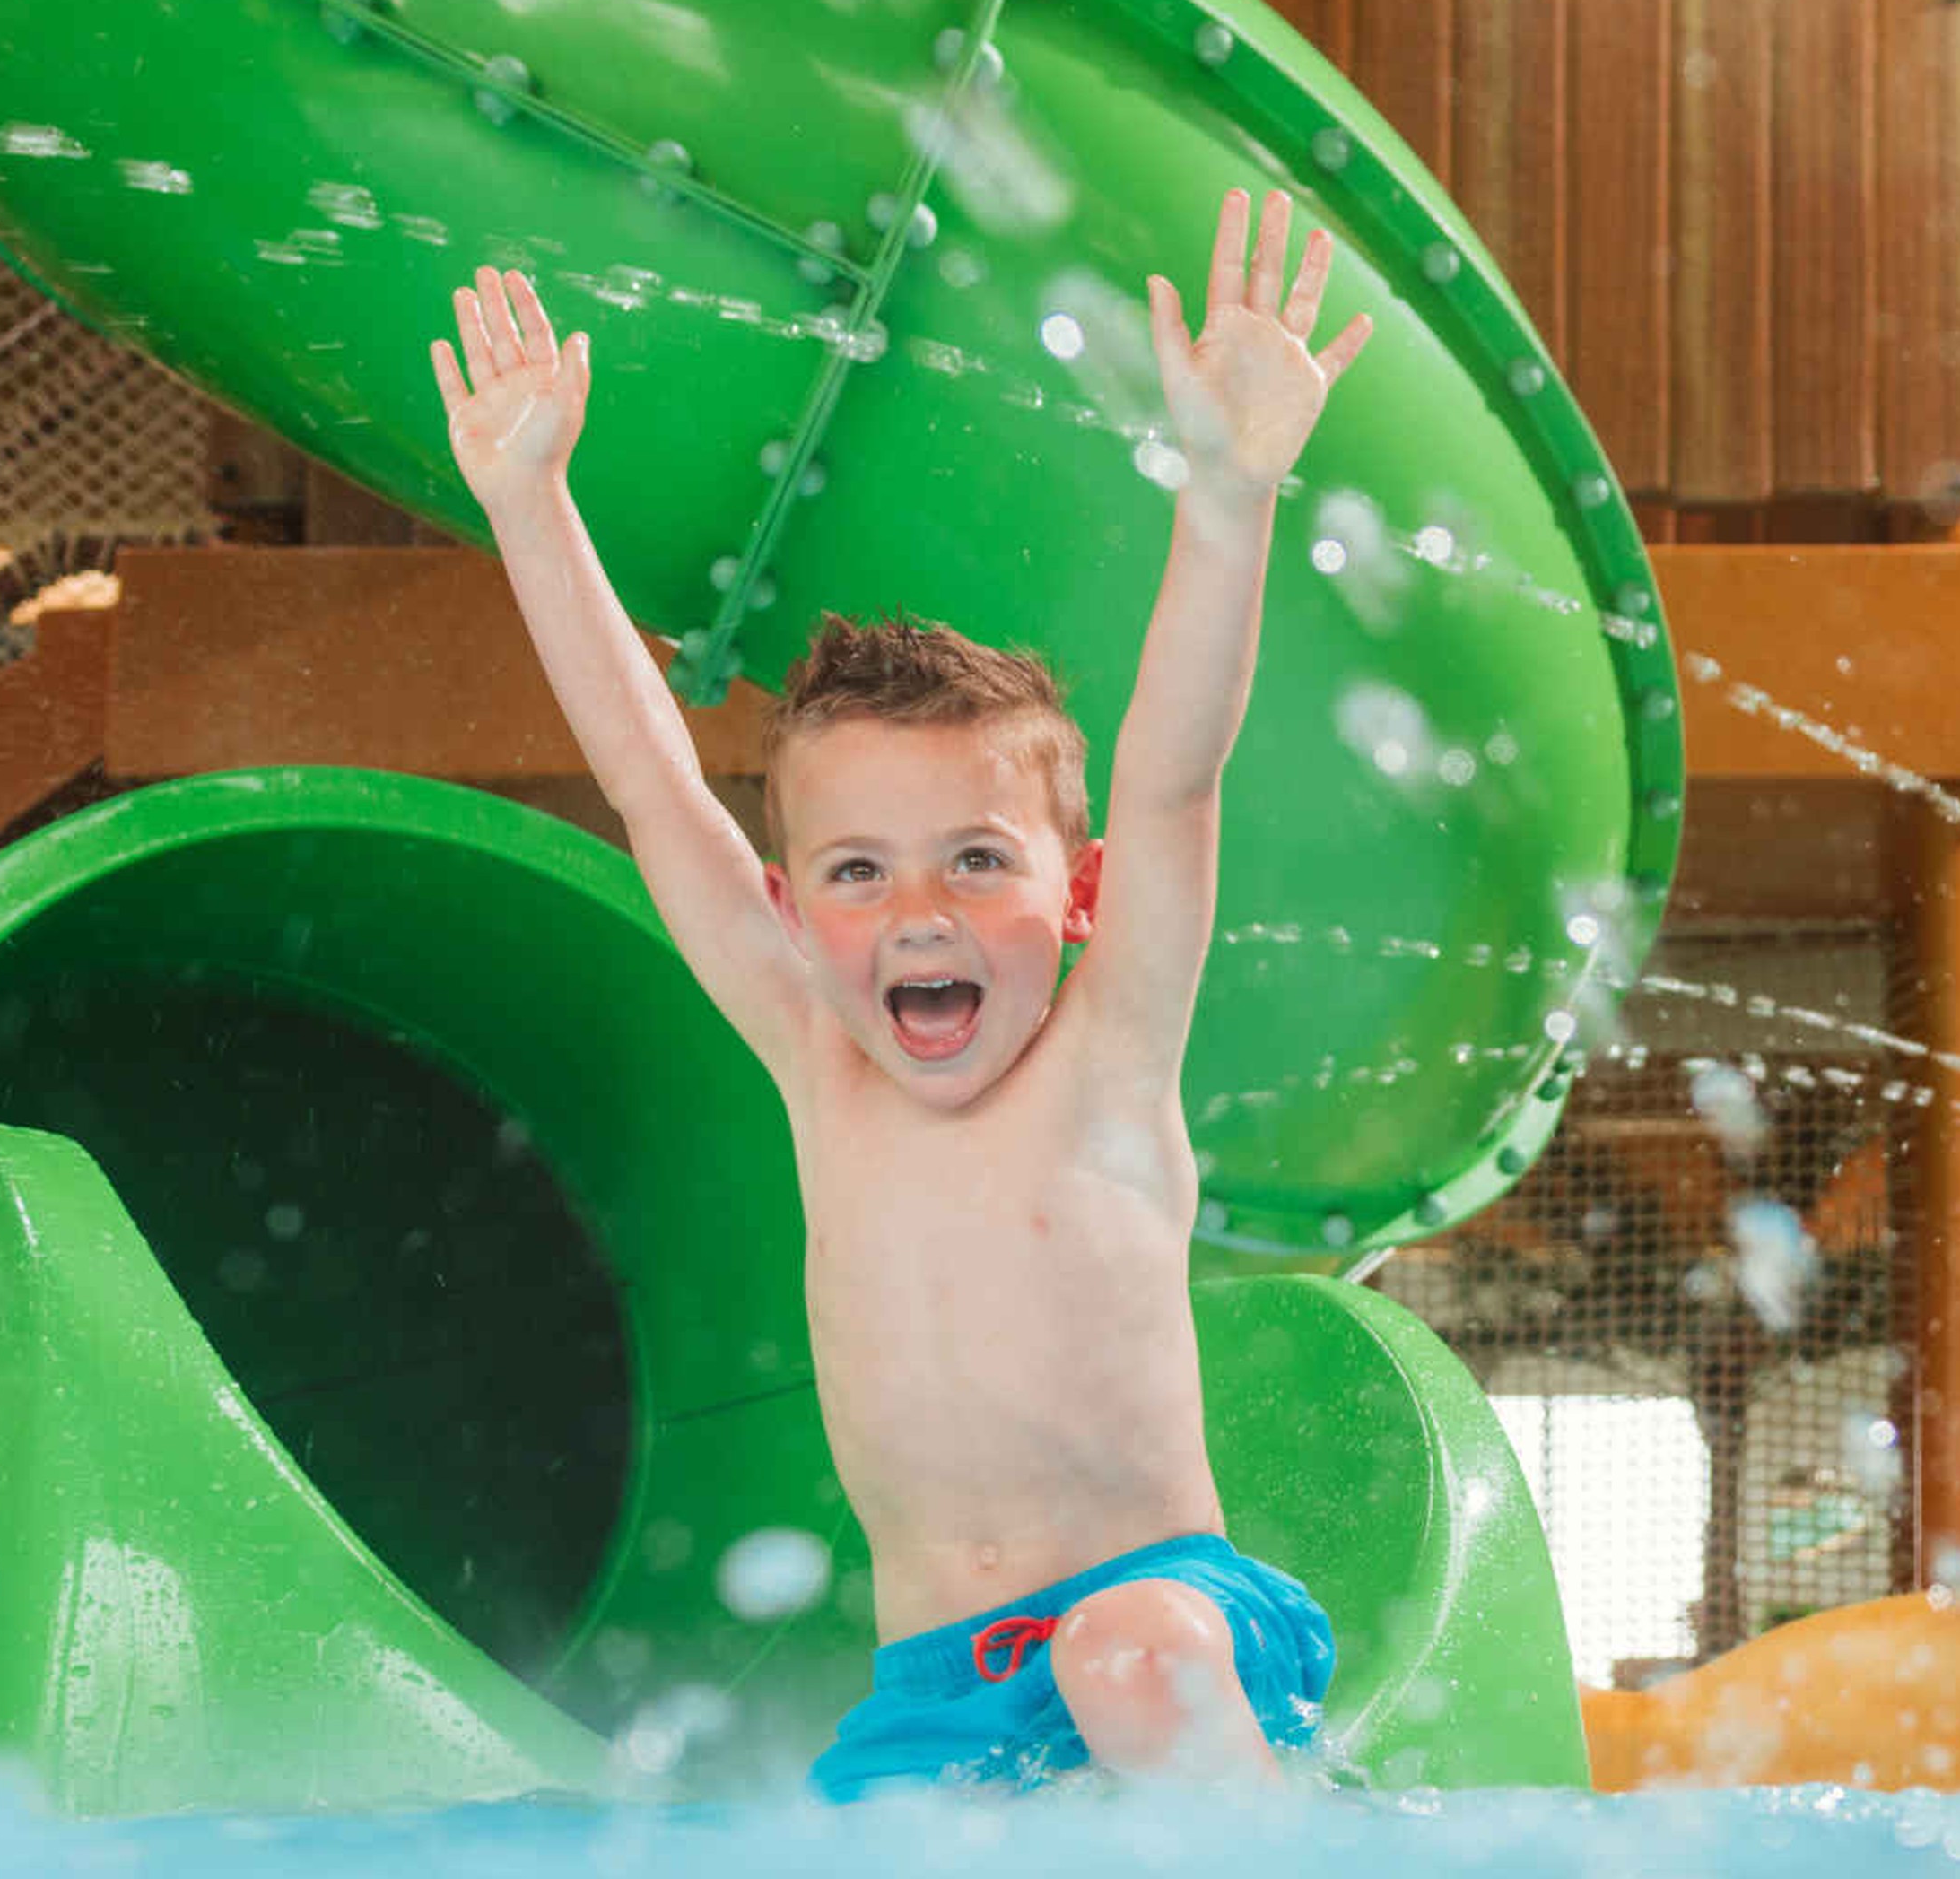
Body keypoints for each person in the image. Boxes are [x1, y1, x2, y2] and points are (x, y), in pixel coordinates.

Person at [433, 190, 1372, 1797]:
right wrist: (530, 506)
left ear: (1077, 899)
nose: (918, 911)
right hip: (942, 1690)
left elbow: (1171, 781)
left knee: (1128, 1657)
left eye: (976, 864)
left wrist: (1232, 499)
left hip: (1178, 1624)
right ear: (795, 916)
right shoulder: (821, 1063)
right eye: (858, 873)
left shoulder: (1108, 1055)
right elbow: (661, 796)